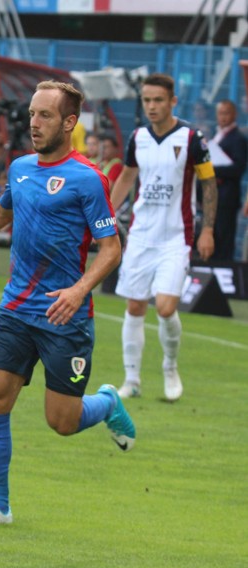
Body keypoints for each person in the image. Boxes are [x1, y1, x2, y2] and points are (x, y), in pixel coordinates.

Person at [0, 81, 133, 527]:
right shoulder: (19, 168)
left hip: (63, 313)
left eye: (45, 115)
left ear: (70, 122)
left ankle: (108, 403)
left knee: (63, 422)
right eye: (32, 114)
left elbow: (111, 249)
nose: (34, 123)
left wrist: (77, 291)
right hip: (16, 307)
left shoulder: (89, 179)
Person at [110, 73, 217, 402]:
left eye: (158, 100)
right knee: (134, 305)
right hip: (141, 236)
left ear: (172, 102)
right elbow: (127, 178)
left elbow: (209, 185)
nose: (152, 106)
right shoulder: (138, 137)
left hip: (176, 238)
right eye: (146, 100)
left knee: (167, 308)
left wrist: (208, 229)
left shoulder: (192, 138)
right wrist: (105, 217)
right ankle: (132, 380)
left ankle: (170, 367)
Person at [209, 100, 247, 260]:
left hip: (227, 198)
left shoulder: (238, 138)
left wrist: (212, 170)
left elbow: (239, 168)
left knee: (224, 240)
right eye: (220, 113)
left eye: (227, 113)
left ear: (234, 114)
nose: (223, 117)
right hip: (212, 196)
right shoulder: (216, 135)